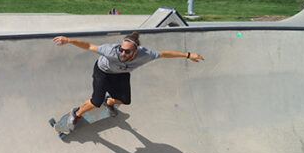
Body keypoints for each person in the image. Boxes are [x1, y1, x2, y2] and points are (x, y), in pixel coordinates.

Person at [53, 31, 204, 126]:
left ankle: (109, 101)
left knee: (125, 101)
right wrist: (69, 40)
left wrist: (188, 55)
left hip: (121, 75)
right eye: (121, 50)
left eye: (127, 52)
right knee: (95, 101)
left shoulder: (146, 54)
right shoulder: (111, 51)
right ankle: (76, 114)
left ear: (135, 51)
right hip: (102, 71)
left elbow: (165, 54)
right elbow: (89, 46)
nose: (123, 53)